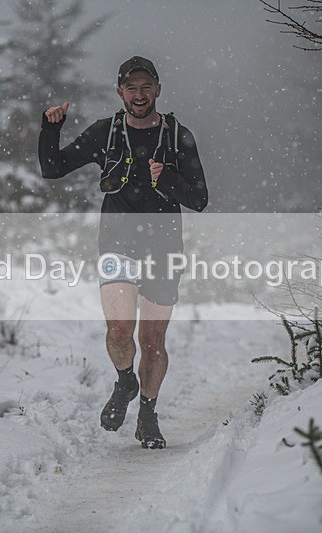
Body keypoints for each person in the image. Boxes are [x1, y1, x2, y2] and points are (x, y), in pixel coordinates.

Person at [38, 56, 208, 449]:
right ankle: (125, 381)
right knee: (118, 329)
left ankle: (148, 414)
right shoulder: (106, 133)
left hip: (165, 248)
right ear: (120, 93)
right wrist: (50, 129)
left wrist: (166, 178)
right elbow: (53, 168)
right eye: (131, 87)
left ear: (158, 90)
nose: (139, 94)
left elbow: (199, 199)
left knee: (152, 342)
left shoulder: (178, 135)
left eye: (146, 86)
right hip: (117, 242)